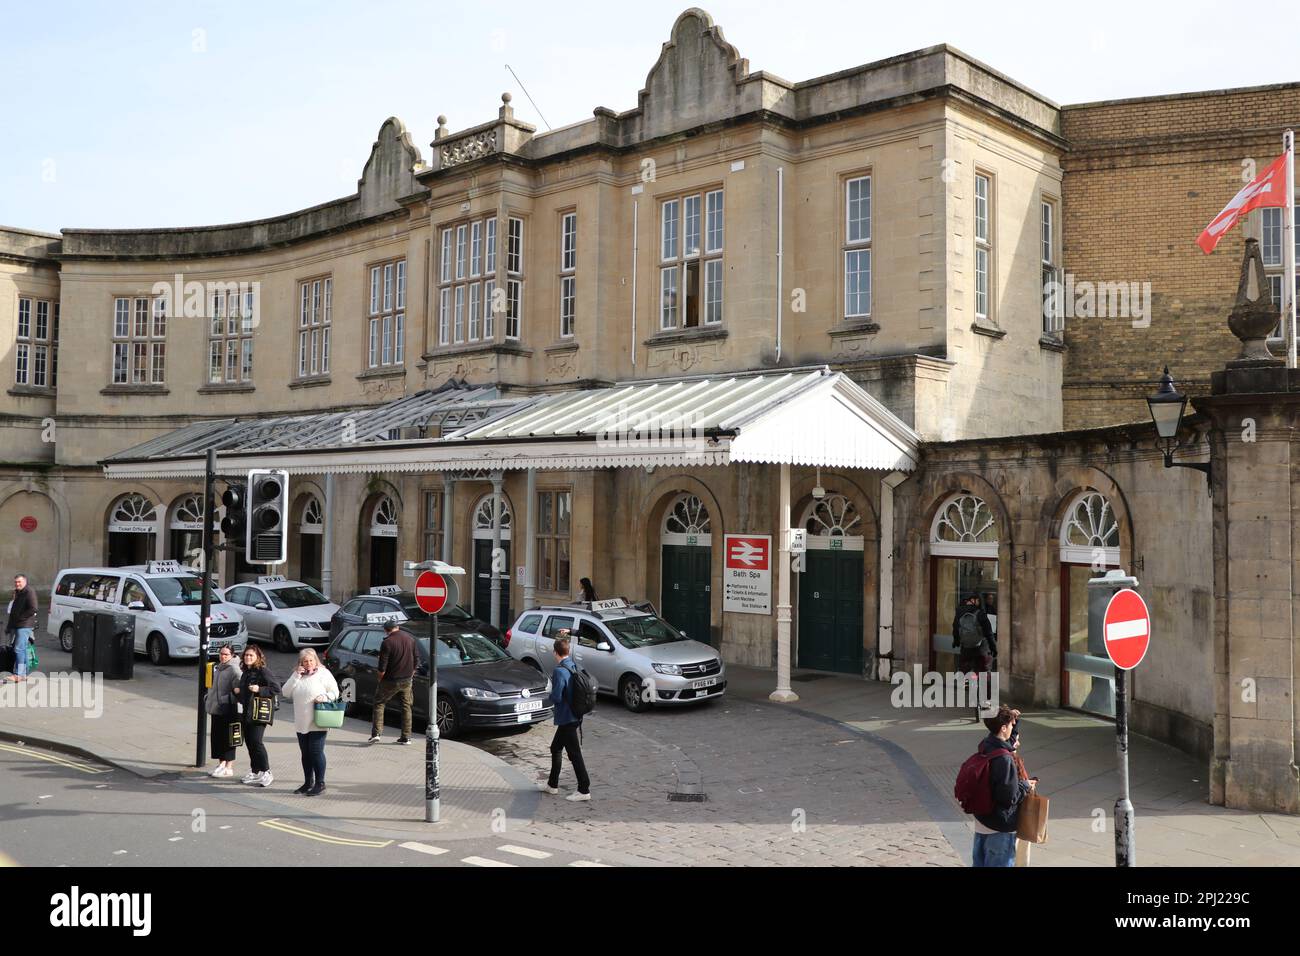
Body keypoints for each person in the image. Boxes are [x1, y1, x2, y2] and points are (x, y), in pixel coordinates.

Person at [970, 704, 1035, 867]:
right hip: (999, 826)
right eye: (1011, 725)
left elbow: (1009, 742)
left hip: (982, 820)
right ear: (1004, 727)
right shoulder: (1004, 760)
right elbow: (1009, 798)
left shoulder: (986, 745)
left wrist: (1014, 720)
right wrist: (1025, 785)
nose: (1013, 728)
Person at [539, 633, 590, 802]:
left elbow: (557, 697)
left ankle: (584, 789)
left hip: (567, 718)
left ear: (555, 653)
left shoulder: (560, 671)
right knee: (556, 748)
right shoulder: (573, 665)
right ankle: (552, 785)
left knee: (574, 754)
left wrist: (549, 693)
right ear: (567, 651)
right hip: (575, 715)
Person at [282, 648, 340, 796]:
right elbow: (285, 692)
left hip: (318, 720)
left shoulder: (323, 673)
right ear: (301, 663)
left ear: (316, 661)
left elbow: (335, 692)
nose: (308, 664)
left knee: (316, 752)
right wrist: (296, 675)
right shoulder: (298, 675)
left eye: (311, 660)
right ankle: (308, 782)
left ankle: (320, 783)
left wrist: (325, 697)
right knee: (305, 753)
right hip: (301, 721)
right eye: (305, 661)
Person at [233, 644, 281, 787]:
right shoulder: (246, 672)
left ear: (257, 657)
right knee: (250, 743)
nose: (248, 657)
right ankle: (255, 771)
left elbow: (276, 688)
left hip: (259, 713)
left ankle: (266, 771)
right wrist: (238, 692)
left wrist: (259, 689)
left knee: (256, 742)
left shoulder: (263, 671)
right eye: (246, 655)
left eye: (251, 655)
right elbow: (245, 695)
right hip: (247, 712)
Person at [369, 620, 416, 744]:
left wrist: (380, 679)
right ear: (397, 627)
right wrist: (411, 673)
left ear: (386, 630)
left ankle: (376, 734)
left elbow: (382, 666)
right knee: (406, 707)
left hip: (390, 679)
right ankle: (406, 737)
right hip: (406, 680)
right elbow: (417, 659)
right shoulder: (410, 639)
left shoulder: (387, 642)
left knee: (379, 703)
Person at [205, 644, 242, 777]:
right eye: (221, 653)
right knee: (217, 738)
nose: (223, 656)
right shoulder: (218, 668)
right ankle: (221, 764)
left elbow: (239, 690)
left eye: (226, 654)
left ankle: (229, 767)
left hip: (228, 709)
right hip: (216, 708)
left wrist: (224, 699)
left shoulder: (234, 669)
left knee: (228, 739)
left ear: (232, 655)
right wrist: (208, 698)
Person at [951, 593, 994, 674]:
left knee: (964, 667)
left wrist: (956, 641)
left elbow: (955, 628)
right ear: (972, 600)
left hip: (965, 646)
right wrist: (993, 647)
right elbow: (988, 632)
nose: (979, 602)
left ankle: (965, 683)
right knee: (981, 669)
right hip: (978, 647)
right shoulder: (980, 613)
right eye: (977, 600)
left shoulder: (959, 612)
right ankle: (983, 684)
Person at [6, 573, 37, 683]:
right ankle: (24, 673)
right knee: (22, 649)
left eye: (19, 582)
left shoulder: (29, 592)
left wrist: (20, 618)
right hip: (17, 625)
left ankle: (19, 674)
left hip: (24, 625)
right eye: (16, 582)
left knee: (19, 649)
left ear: (25, 581)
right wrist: (9, 626)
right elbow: (13, 611)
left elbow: (33, 608)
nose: (17, 584)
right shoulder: (18, 592)